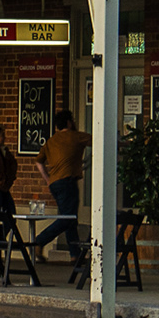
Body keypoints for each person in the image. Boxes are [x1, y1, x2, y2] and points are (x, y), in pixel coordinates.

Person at [31, 109, 91, 261]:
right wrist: (123, 143)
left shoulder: (51, 141)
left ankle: (74, 254)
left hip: (55, 183)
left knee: (70, 217)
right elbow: (99, 140)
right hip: (67, 182)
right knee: (67, 218)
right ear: (69, 123)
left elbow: (38, 161)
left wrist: (47, 179)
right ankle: (39, 240)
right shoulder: (76, 136)